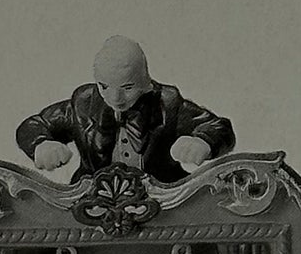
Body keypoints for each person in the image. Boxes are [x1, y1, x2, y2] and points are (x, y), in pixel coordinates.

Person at [15, 36, 234, 184]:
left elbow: (219, 127)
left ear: (145, 81)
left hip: (163, 205)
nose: (115, 98)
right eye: (104, 87)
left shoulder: (168, 103)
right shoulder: (83, 103)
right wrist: (41, 144)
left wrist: (203, 141)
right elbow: (34, 125)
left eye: (127, 88)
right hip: (94, 204)